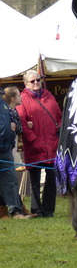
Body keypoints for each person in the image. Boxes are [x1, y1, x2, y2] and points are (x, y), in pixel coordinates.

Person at [16, 70, 62, 217]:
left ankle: (49, 210)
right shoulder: (22, 99)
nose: (36, 83)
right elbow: (22, 123)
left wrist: (58, 135)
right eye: (32, 81)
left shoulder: (49, 96)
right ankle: (37, 210)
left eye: (38, 80)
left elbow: (59, 117)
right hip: (34, 146)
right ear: (26, 83)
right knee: (35, 181)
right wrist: (34, 140)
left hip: (52, 144)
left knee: (51, 179)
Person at [0, 88, 32, 219]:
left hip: (5, 149)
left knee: (11, 180)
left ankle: (16, 212)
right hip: (5, 147)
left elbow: (13, 127)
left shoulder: (5, 107)